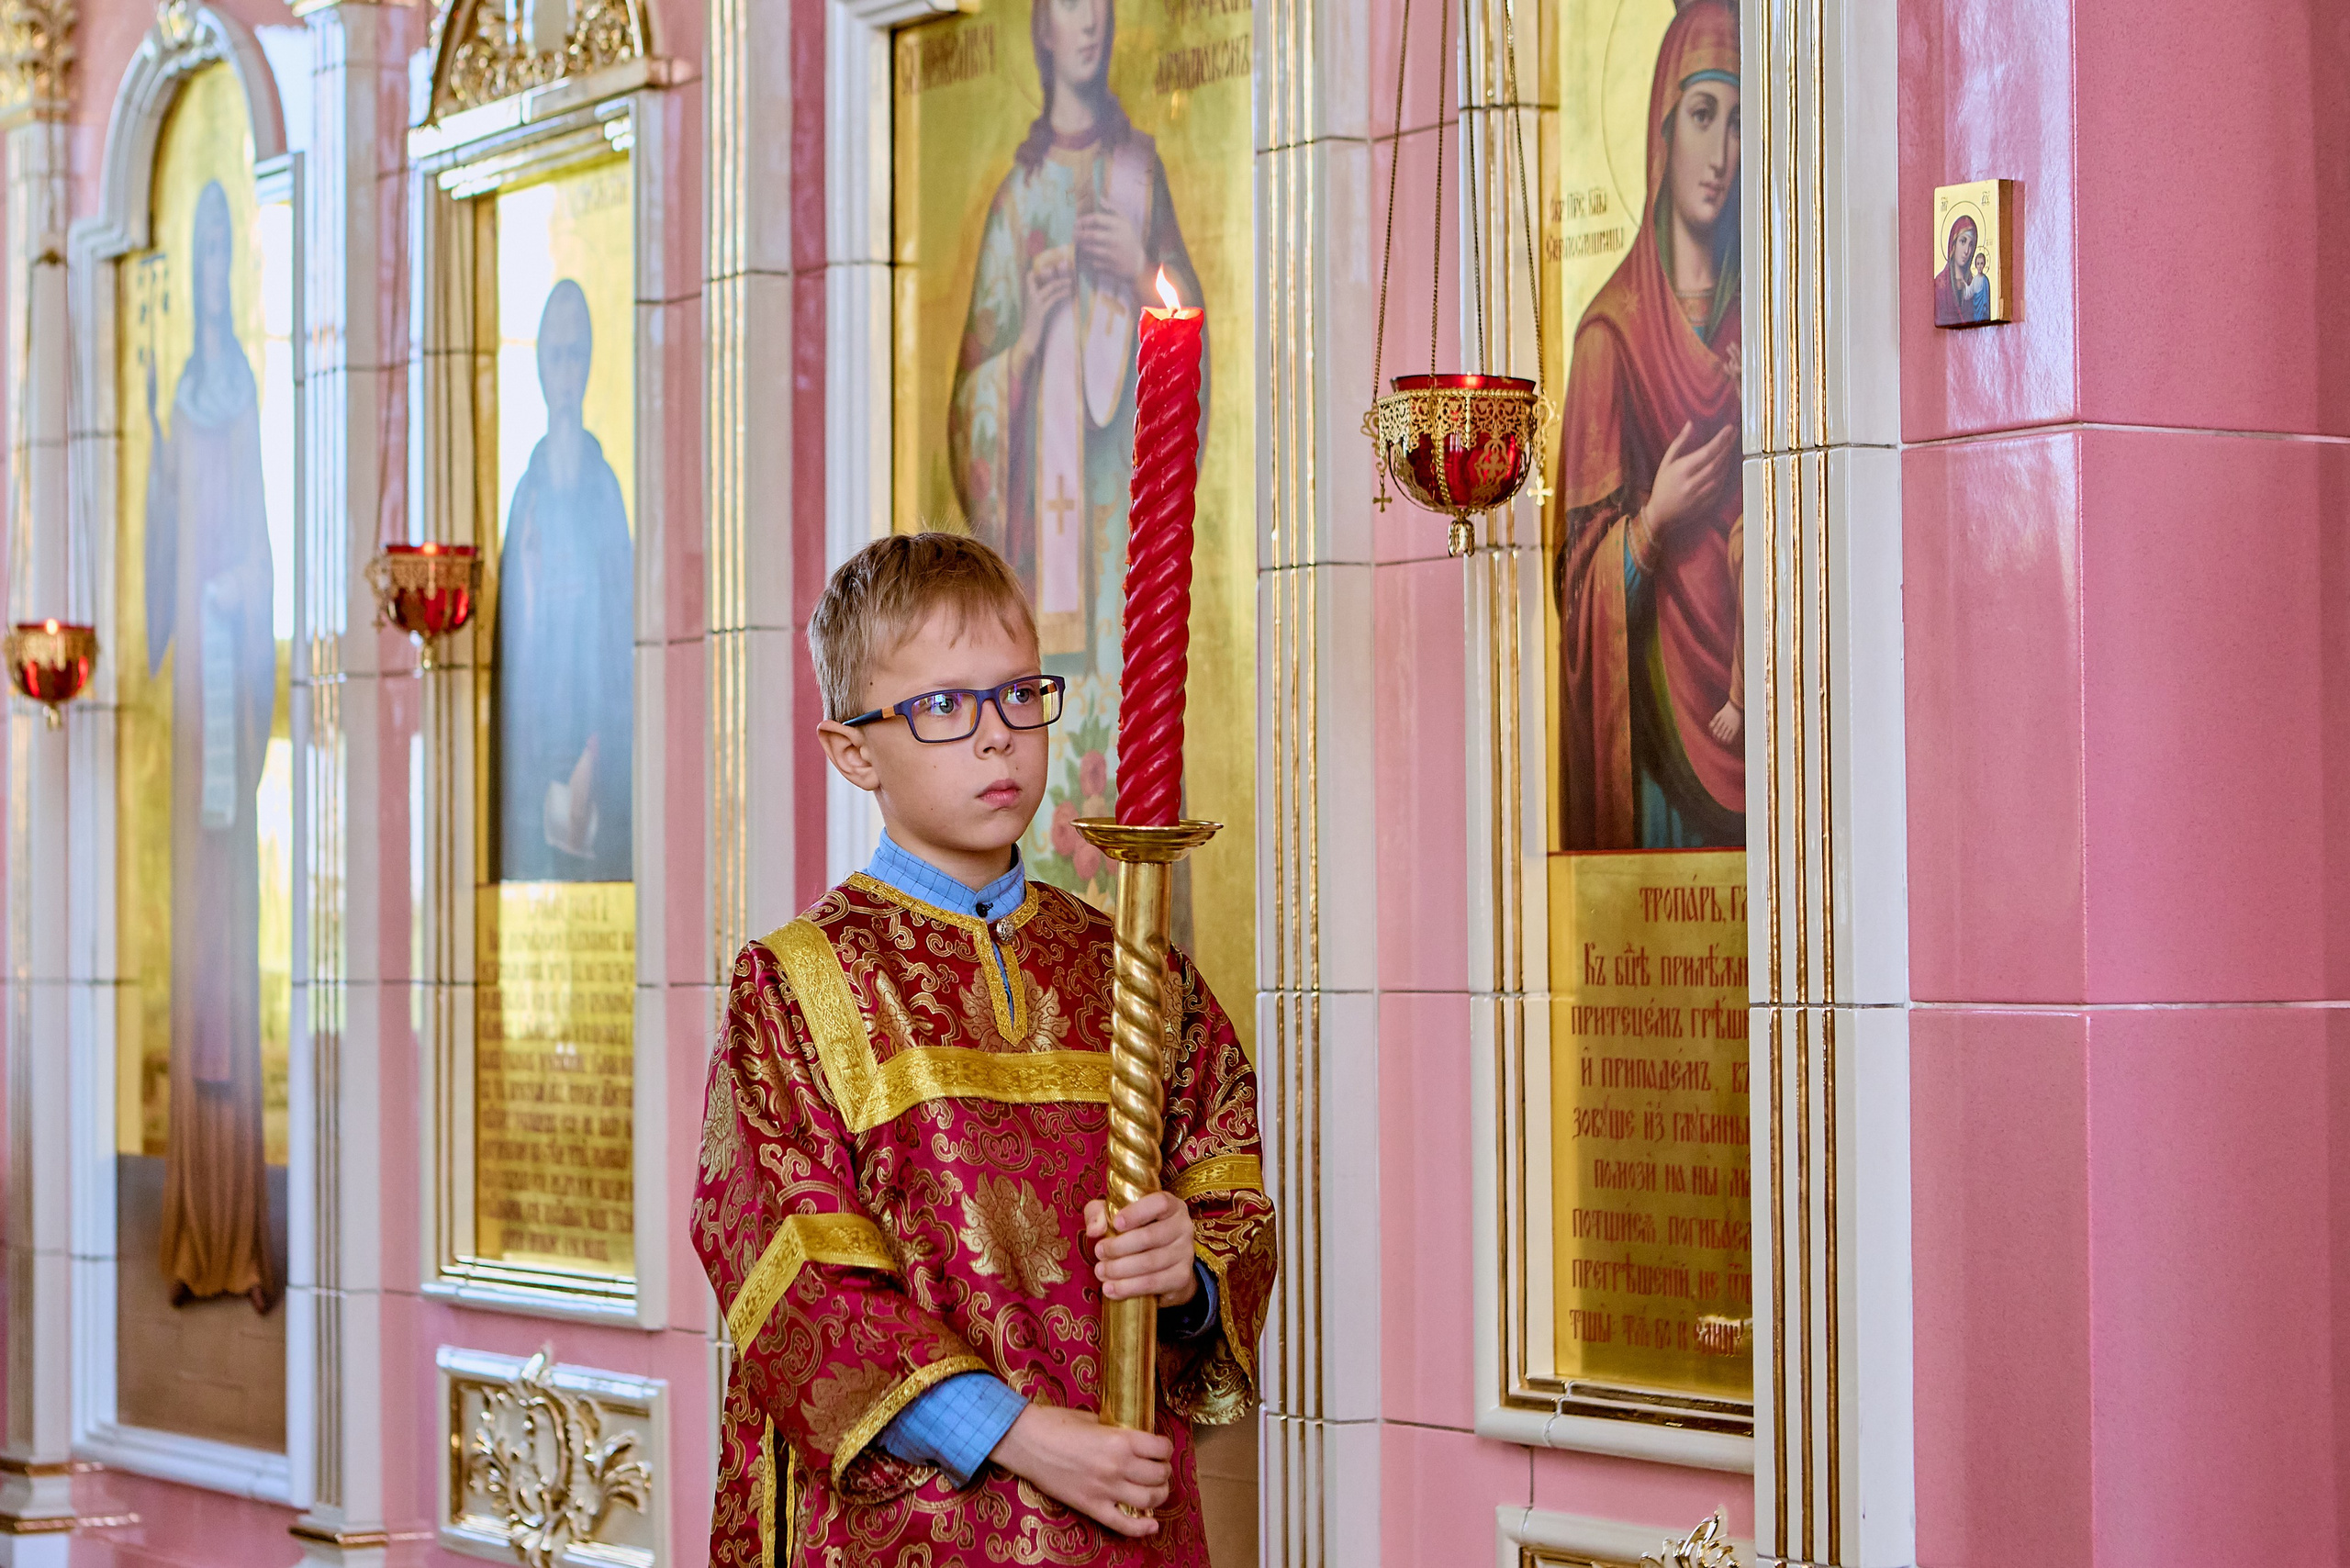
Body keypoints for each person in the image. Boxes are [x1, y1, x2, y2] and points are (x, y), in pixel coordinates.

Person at [693, 533, 1272, 1566]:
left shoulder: (1135, 969)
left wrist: (1191, 1270)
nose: (997, 739)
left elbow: (1229, 1196)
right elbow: (795, 1286)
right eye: (943, 708)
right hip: (908, 1531)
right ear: (853, 749)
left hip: (1123, 1517)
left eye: (1017, 696)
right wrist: (1023, 1436)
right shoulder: (795, 984)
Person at [946, 0, 1204, 887]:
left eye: (1100, 4)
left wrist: (1137, 272)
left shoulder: (1138, 173)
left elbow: (1187, 345)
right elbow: (970, 413)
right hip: (1047, 575)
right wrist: (1028, 344)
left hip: (1127, 556)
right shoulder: (1018, 202)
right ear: (1042, 30)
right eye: (1067, 6)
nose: (1088, 21)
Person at [1551, 0, 1746, 851]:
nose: (1721, 153)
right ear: (1662, 131)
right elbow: (1574, 590)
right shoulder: (1610, 339)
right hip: (1657, 750)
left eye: (1740, 123)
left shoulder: (1775, 333)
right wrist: (1655, 524)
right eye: (1703, 116)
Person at [145, 178, 277, 1313]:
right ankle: (193, 1236)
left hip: (235, 696)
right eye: (200, 248)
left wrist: (240, 600)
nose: (210, 264)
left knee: (233, 952)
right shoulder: (173, 403)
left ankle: (242, 1243)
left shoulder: (245, 399)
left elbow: (268, 548)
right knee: (193, 960)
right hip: (191, 698)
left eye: (225, 245)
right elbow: (154, 544)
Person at [495, 279, 633, 883]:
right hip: (532, 746)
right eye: (556, 354)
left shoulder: (602, 488)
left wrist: (596, 752)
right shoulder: (527, 494)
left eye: (577, 354)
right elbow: (513, 642)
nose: (567, 370)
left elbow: (617, 636)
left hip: (593, 746)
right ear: (540, 367)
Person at [1934, 212, 1990, 325]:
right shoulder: (1940, 285)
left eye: (1971, 245)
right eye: (1963, 241)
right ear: (1953, 245)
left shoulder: (1974, 283)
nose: (1966, 251)